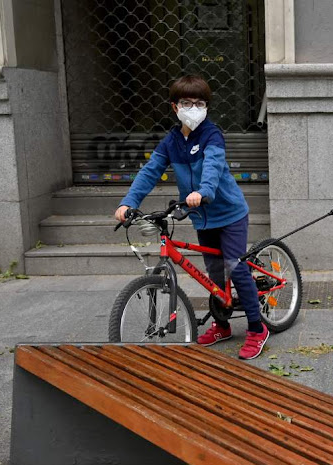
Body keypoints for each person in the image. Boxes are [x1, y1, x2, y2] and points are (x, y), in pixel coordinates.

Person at [115, 74, 269, 359]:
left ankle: (257, 328)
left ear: (207, 107)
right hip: (201, 217)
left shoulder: (212, 134)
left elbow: (213, 165)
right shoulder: (172, 141)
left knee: (234, 265)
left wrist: (204, 190)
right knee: (213, 274)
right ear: (175, 107)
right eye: (187, 102)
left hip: (229, 212)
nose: (194, 108)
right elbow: (150, 172)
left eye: (200, 103)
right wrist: (128, 202)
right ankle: (222, 325)